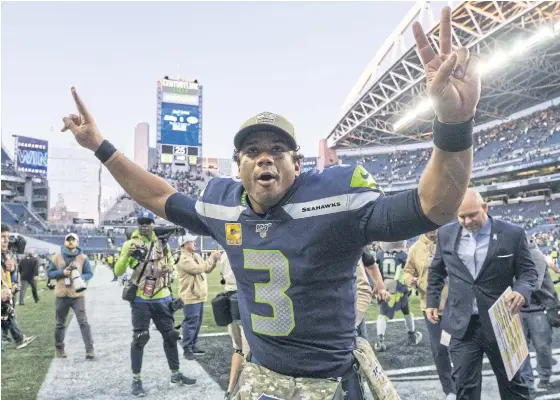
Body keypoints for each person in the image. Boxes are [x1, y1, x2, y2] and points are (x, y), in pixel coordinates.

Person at [61, 7, 480, 398]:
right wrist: (101, 147)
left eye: (277, 149)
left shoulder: (336, 197)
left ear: (297, 163)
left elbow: (435, 207)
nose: (264, 156)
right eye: (252, 150)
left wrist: (455, 125)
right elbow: (157, 194)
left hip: (332, 382)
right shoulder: (223, 206)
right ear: (238, 165)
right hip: (262, 379)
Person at [426, 189, 537, 400]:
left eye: (472, 215)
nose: (467, 221)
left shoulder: (513, 233)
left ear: (485, 208)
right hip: (461, 325)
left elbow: (528, 272)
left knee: (514, 387)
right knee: (464, 388)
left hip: (502, 322)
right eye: (461, 216)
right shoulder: (445, 234)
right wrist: (432, 300)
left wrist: (522, 290)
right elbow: (437, 270)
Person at [114, 211, 195, 397]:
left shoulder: (161, 243)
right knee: (140, 338)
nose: (145, 226)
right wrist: (128, 256)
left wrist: (167, 269)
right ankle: (136, 380)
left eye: (148, 222)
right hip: (141, 300)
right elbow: (118, 270)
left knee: (171, 336)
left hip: (163, 297)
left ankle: (176, 374)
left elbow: (172, 269)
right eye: (141, 222)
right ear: (137, 225)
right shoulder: (129, 244)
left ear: (153, 223)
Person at [402, 230, 455, 399]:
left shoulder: (449, 240)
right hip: (430, 307)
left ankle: (463, 383)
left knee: (458, 346)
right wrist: (410, 279)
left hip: (454, 304)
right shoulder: (415, 248)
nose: (433, 230)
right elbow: (407, 271)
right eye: (429, 227)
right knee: (439, 349)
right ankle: (450, 390)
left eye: (436, 226)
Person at [518, 238, 559, 392]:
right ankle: (527, 381)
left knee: (542, 347)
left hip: (539, 307)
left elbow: (534, 285)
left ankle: (544, 377)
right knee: (520, 349)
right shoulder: (514, 255)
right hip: (520, 309)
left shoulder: (534, 254)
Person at [47, 233, 95, 359]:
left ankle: (90, 350)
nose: (70, 242)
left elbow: (89, 273)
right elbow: (50, 273)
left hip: (77, 294)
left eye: (73, 240)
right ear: (64, 242)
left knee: (83, 322)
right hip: (62, 294)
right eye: (68, 240)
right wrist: (62, 272)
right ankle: (59, 349)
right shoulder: (57, 257)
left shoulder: (83, 257)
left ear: (77, 243)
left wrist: (80, 277)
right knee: (60, 324)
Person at [175, 233, 221, 360]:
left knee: (197, 322)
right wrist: (211, 258)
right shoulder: (182, 258)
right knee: (190, 322)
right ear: (186, 244)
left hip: (199, 295)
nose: (194, 243)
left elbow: (206, 269)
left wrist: (214, 260)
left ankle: (192, 345)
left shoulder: (195, 255)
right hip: (190, 295)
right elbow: (197, 269)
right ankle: (187, 348)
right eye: (192, 242)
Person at [372, 241, 422, 351]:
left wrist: (377, 287)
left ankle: (380, 340)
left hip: (386, 290)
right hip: (399, 290)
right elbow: (410, 271)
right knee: (407, 312)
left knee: (383, 314)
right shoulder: (403, 256)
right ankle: (412, 335)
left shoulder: (379, 255)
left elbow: (375, 272)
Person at [217, 251, 250, 400]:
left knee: (238, 349)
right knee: (249, 353)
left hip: (228, 299)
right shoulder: (245, 249)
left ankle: (230, 390)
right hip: (242, 298)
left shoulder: (224, 253)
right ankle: (242, 392)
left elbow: (222, 279)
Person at [1, 224, 36, 349]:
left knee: (9, 315)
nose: (6, 240)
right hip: (4, 295)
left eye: (7, 237)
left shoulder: (5, 254)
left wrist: (12, 269)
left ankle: (18, 338)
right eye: (3, 237)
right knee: (8, 317)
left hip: (7, 292)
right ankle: (17, 339)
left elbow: (10, 271)